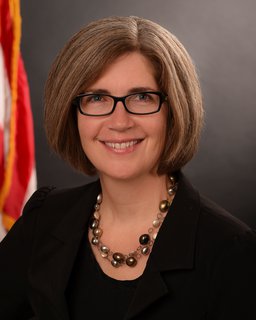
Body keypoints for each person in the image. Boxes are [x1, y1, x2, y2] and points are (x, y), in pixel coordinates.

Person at [0, 15, 256, 320]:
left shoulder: (231, 251)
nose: (120, 122)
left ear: (174, 110)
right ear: (71, 112)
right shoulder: (45, 219)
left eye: (142, 97)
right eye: (96, 98)